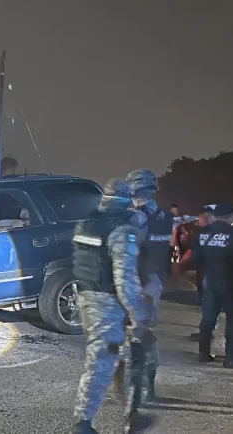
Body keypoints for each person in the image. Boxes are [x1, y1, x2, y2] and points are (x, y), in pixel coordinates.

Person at [71, 179, 146, 434]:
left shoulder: (87, 223)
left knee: (106, 354)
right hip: (107, 304)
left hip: (86, 298)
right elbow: (125, 280)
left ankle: (106, 404)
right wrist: (138, 315)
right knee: (101, 359)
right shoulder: (121, 231)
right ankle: (83, 423)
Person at [125, 168, 173, 408]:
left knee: (133, 335)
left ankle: (135, 390)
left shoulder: (135, 217)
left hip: (136, 280)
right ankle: (149, 387)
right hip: (155, 281)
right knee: (147, 334)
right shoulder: (164, 216)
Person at [183, 204, 233, 367]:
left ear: (216, 216)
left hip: (209, 281)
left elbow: (196, 257)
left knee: (207, 319)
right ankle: (230, 358)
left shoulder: (203, 233)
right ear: (230, 216)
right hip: (229, 282)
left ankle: (203, 354)